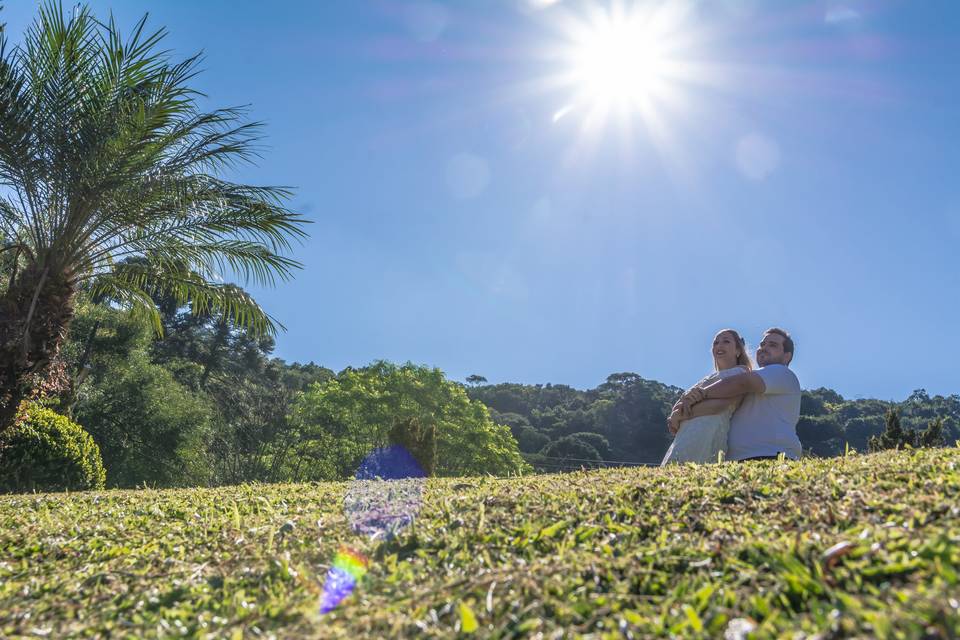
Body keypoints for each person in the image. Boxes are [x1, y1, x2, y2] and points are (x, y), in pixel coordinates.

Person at [676, 327, 802, 461]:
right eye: (762, 344)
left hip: (771, 454)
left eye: (773, 345)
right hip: (739, 459)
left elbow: (742, 383)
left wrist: (701, 394)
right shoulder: (756, 379)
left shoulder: (781, 373)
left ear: (787, 356)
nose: (764, 348)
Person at [661, 329, 752, 465]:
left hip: (708, 431)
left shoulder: (740, 374)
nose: (719, 346)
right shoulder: (708, 378)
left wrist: (680, 415)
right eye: (716, 343)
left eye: (726, 341)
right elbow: (683, 399)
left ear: (738, 350)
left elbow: (721, 405)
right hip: (687, 432)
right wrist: (674, 416)